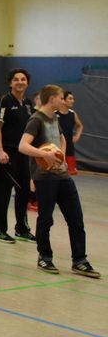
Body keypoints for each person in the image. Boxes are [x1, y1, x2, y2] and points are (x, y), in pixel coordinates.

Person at [19, 85, 99, 278]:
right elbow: (23, 146)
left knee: (76, 219)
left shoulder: (55, 118)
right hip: (45, 179)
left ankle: (79, 260)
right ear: (53, 99)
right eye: (62, 98)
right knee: (46, 219)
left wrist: (60, 154)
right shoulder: (36, 120)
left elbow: (62, 139)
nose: (64, 101)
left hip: (63, 177)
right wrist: (43, 155)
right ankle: (44, 257)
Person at [0, 69, 35, 244]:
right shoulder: (3, 101)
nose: (20, 82)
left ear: (27, 83)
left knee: (24, 192)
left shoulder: (29, 104)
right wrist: (0, 151)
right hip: (7, 154)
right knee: (2, 193)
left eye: (23, 79)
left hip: (24, 154)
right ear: (10, 83)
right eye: (16, 79)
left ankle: (22, 229)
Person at [58, 91, 84, 175]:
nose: (72, 101)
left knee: (71, 173)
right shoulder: (54, 114)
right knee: (56, 172)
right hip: (57, 147)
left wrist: (77, 136)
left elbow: (80, 126)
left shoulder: (73, 114)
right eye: (70, 98)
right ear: (63, 100)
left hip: (69, 148)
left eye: (73, 99)